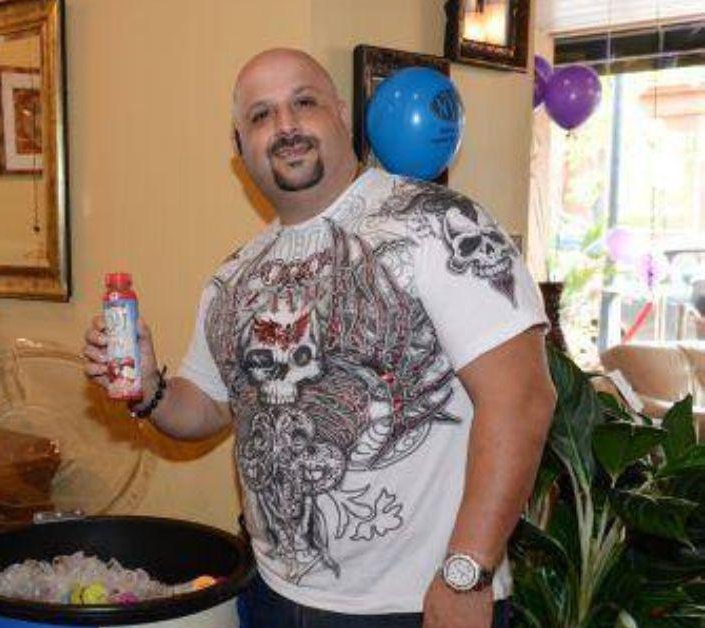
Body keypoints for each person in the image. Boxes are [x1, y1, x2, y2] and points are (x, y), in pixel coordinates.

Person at [82, 48, 555, 628]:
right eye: (260, 116)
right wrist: (148, 387)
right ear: (240, 150)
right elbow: (205, 409)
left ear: (339, 115)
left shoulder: (436, 222)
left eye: (303, 103)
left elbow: (522, 399)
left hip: (415, 606)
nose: (285, 126)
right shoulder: (234, 277)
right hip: (271, 595)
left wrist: (468, 571)